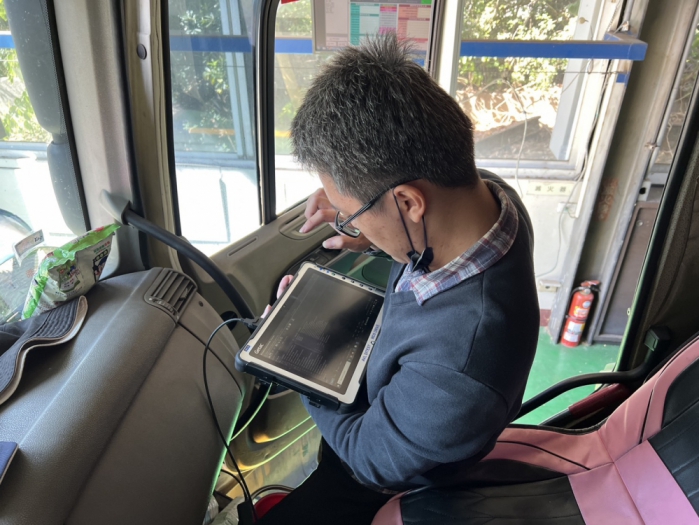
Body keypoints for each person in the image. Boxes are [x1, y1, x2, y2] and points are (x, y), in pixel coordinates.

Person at [256, 34, 539, 525]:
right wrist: (369, 229)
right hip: (405, 404)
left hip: (389, 481)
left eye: (351, 215)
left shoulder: (461, 371)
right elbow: (423, 229)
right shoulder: (489, 198)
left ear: (408, 202)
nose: (350, 227)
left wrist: (297, 364)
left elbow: (367, 458)